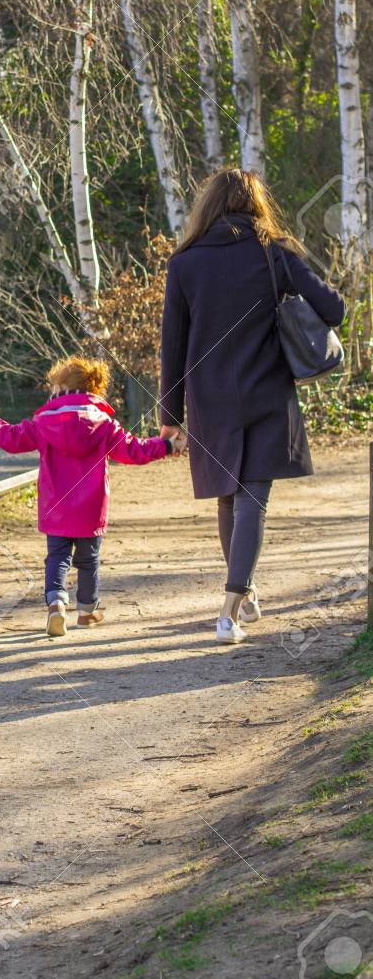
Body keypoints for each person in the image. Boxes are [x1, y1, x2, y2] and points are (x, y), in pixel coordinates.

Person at [159, 167, 345, 645]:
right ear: (255, 204)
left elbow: (172, 346)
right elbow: (334, 310)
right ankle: (229, 612)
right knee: (252, 501)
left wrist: (169, 416)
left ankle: (243, 596)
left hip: (209, 397)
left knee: (230, 497)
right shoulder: (274, 250)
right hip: (266, 392)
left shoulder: (185, 263)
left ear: (209, 207)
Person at [0, 355, 182, 637]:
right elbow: (133, 450)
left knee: (58, 557)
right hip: (91, 508)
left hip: (56, 507)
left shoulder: (43, 422)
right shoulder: (104, 424)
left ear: (62, 388)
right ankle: (87, 610)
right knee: (88, 560)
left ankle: (56, 605)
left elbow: (12, 439)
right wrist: (165, 446)